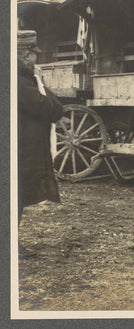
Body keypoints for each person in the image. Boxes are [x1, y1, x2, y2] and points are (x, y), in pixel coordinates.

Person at [17, 30, 63, 249]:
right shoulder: (19, 82)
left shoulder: (24, 79)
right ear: (26, 55)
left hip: (21, 148)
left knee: (16, 197)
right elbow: (49, 107)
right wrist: (41, 85)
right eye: (34, 54)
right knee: (14, 197)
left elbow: (53, 105)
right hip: (19, 149)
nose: (36, 58)